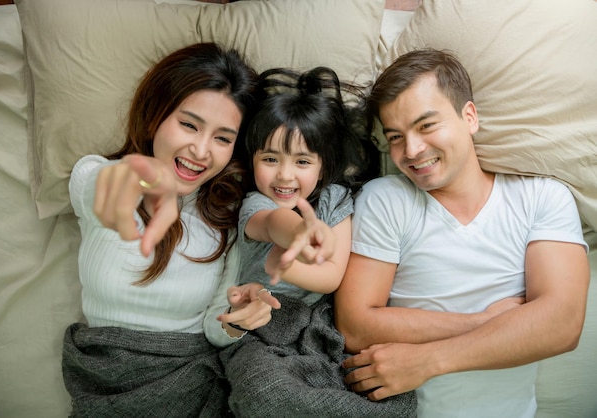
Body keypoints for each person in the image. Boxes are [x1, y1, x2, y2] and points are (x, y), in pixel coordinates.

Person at [334, 48, 590, 418]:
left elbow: (562, 325)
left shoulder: (541, 197)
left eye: (426, 126)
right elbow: (355, 327)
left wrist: (427, 361)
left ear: (469, 116)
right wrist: (487, 323)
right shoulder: (387, 198)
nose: (412, 150)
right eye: (395, 136)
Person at [61, 42, 282, 418]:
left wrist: (239, 315)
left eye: (222, 138)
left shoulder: (224, 216)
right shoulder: (96, 176)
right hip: (106, 381)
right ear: (155, 116)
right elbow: (106, 183)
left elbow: (215, 328)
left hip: (192, 382)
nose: (200, 150)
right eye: (189, 124)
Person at [220, 67, 417, 418]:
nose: (284, 174)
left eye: (301, 161)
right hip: (259, 331)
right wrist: (296, 235)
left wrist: (291, 261)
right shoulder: (256, 203)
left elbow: (331, 278)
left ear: (322, 168)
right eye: (270, 159)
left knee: (387, 400)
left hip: (320, 329)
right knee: (265, 393)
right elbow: (272, 223)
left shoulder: (336, 202)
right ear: (253, 161)